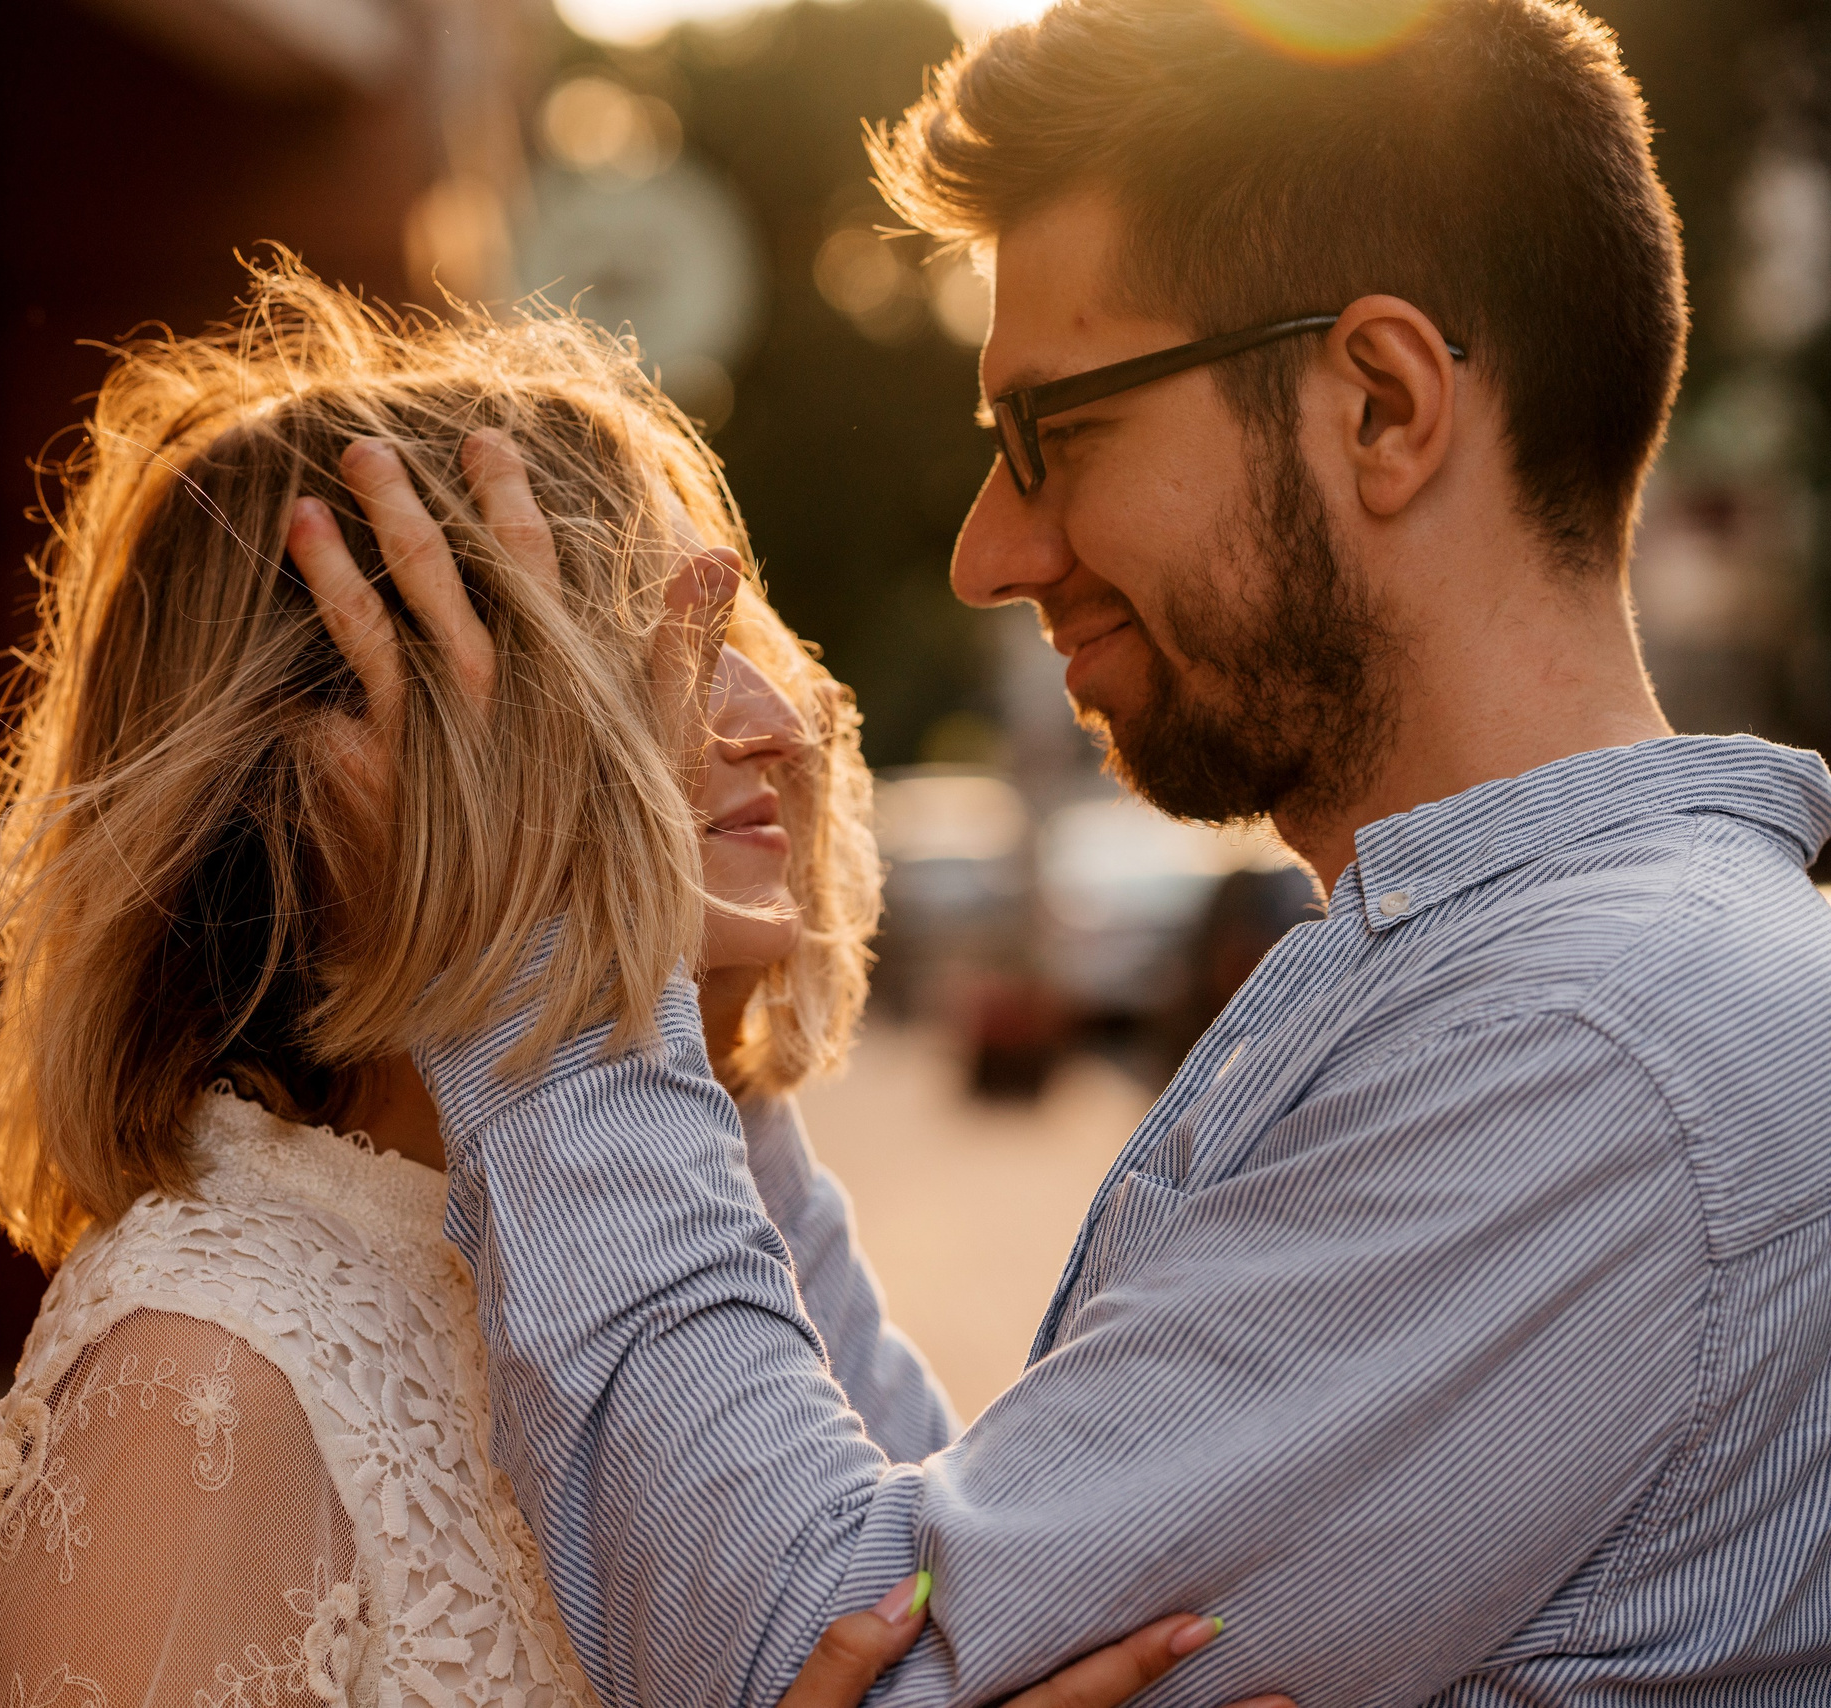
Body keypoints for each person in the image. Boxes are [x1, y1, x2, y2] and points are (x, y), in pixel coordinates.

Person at [291, 3, 1831, 1706]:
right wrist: (715, 1076)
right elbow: (965, 1565)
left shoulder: (1586, 1046)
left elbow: (834, 1653)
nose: (988, 553)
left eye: (1054, 432)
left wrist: (548, 955)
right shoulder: (1554, 980)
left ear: (1383, 404)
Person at [0, 261, 1270, 1708]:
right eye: (639, 659)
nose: (774, 720)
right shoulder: (206, 1371)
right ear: (355, 771)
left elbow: (946, 1611)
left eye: (735, 639)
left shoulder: (652, 1211)